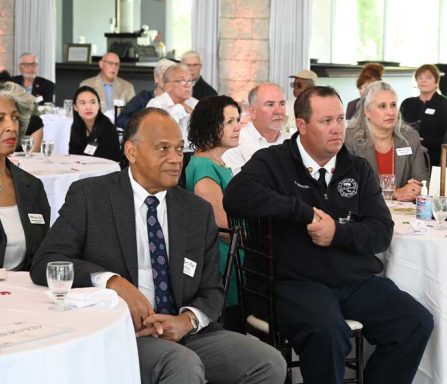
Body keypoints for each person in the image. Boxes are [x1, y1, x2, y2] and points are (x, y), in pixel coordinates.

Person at [30, 108, 286, 384]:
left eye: (178, 149)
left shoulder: (195, 211)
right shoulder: (92, 197)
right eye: (163, 149)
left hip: (185, 331)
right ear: (131, 151)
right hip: (125, 332)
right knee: (181, 365)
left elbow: (212, 289)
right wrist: (112, 282)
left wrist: (187, 320)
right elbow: (47, 262)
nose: (176, 159)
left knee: (269, 362)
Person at [223, 86, 434, 384]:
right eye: (326, 121)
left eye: (339, 120)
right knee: (328, 332)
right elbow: (236, 196)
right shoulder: (273, 162)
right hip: (293, 282)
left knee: (415, 322)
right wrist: (302, 212)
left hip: (352, 281)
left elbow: (381, 232)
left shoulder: (357, 168)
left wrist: (338, 233)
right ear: (302, 125)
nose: (337, 129)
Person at [185, 96, 241, 307]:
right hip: (227, 258)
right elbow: (223, 228)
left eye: (237, 120)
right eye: (229, 122)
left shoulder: (213, 161)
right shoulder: (204, 167)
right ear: (211, 126)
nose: (237, 127)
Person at [345, 81, 428, 202]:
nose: (390, 112)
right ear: (367, 112)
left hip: (405, 213)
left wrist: (415, 188)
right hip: (364, 214)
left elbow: (422, 182)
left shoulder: (410, 138)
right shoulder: (351, 139)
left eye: (393, 105)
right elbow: (349, 187)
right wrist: (393, 193)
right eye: (382, 106)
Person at [0, 81, 50, 270]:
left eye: (14, 118)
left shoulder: (31, 186)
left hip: (26, 293)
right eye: (0, 118)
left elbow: (45, 253)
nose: (12, 127)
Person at [222, 83, 289, 174]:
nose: (279, 111)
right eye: (270, 104)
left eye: (282, 104)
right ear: (252, 111)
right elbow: (240, 185)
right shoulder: (236, 142)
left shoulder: (293, 142)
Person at [400, 64, 447, 167]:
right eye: (420, 78)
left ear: (436, 82)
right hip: (407, 155)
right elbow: (398, 128)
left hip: (435, 158)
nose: (423, 80)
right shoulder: (407, 103)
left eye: (428, 77)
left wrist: (425, 141)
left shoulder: (445, 105)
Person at [147, 64, 199, 153]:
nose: (188, 86)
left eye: (190, 81)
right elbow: (158, 134)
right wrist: (180, 107)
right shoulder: (156, 104)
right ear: (168, 86)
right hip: (166, 153)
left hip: (194, 153)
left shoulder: (194, 103)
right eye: (182, 81)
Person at [116, 58, 176, 130]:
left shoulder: (180, 99)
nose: (167, 78)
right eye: (164, 74)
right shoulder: (143, 98)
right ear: (156, 78)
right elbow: (122, 119)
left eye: (171, 75)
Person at [68, 86, 121, 162]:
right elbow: (73, 156)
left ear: (99, 105)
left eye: (93, 102)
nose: (88, 107)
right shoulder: (76, 127)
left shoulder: (108, 129)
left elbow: (110, 161)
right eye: (83, 103)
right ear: (75, 107)